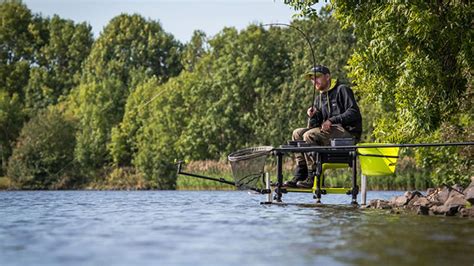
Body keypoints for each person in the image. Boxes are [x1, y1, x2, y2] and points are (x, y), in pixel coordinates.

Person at [284, 65, 362, 188]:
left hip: (347, 133)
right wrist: (313, 116)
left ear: (327, 76)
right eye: (312, 79)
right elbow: (316, 125)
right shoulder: (318, 98)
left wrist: (332, 120)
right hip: (329, 134)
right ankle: (301, 173)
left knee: (309, 135)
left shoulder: (342, 90)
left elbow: (353, 112)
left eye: (317, 77)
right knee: (297, 133)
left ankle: (314, 175)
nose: (314, 81)